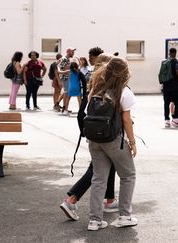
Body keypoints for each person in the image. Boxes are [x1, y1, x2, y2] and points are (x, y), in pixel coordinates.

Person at [60, 52, 118, 222]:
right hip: (104, 132)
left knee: (108, 164)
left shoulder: (93, 80)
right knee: (96, 169)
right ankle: (71, 200)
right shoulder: (106, 83)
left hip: (93, 130)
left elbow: (82, 111)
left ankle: (109, 199)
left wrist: (86, 132)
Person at [87, 57, 137, 231]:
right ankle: (124, 216)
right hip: (113, 140)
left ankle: (94, 220)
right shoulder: (124, 92)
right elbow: (126, 120)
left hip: (94, 139)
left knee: (98, 179)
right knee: (128, 175)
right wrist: (132, 142)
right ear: (124, 73)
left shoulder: (96, 88)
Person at [162, 48, 178, 127]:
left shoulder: (164, 62)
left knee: (166, 103)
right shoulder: (176, 62)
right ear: (175, 53)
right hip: (175, 86)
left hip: (166, 86)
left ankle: (167, 120)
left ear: (169, 53)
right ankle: (175, 119)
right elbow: (177, 71)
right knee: (177, 102)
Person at [58, 47, 76, 115]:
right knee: (67, 92)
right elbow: (61, 68)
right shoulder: (64, 59)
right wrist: (70, 66)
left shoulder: (67, 59)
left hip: (67, 77)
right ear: (68, 52)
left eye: (73, 51)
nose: (73, 53)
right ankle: (65, 109)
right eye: (72, 51)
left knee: (66, 92)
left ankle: (65, 108)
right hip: (65, 77)